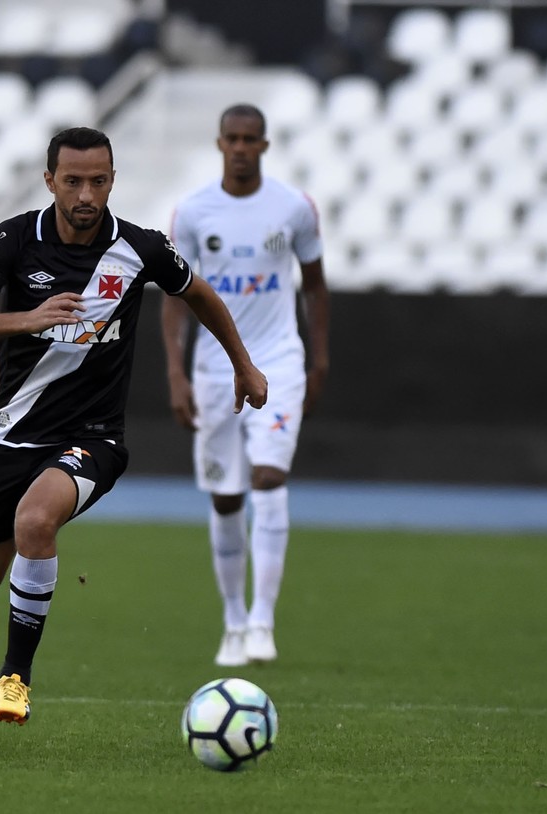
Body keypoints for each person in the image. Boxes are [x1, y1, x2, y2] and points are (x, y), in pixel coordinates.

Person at [0, 126, 268, 743]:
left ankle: (15, 677)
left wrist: (242, 363)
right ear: (50, 182)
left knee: (36, 522)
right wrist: (29, 318)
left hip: (93, 436)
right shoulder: (13, 237)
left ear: (113, 180)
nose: (86, 194)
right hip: (11, 435)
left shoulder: (139, 247)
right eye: (73, 181)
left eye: (98, 180)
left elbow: (199, 292)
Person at [161, 104, 330, 667]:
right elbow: (175, 298)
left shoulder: (293, 207)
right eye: (231, 138)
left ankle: (263, 622)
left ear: (264, 145)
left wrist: (319, 354)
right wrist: (176, 372)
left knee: (269, 477)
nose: (239, 147)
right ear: (218, 144)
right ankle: (233, 621)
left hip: (278, 361)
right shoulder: (192, 212)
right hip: (212, 371)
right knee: (227, 496)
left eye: (249, 139)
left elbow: (316, 284)